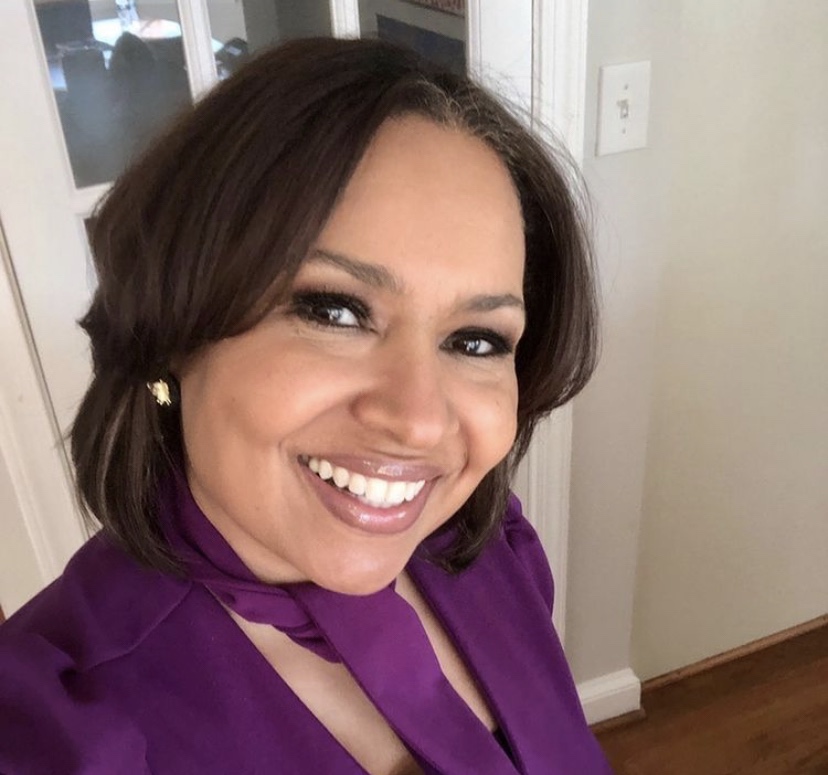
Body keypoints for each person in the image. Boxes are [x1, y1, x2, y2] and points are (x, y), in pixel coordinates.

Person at [0, 37, 613, 774]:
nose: (419, 420)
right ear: (173, 328)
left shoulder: (490, 552)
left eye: (476, 340)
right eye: (334, 311)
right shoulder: (52, 729)